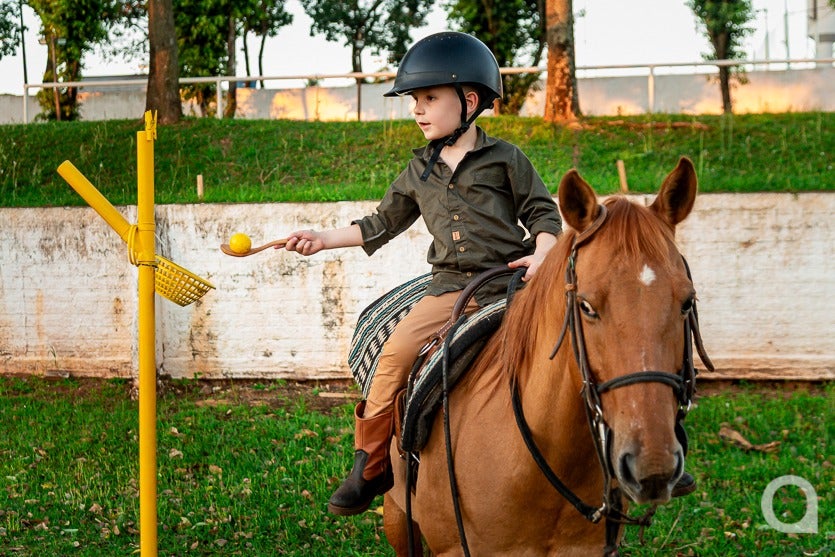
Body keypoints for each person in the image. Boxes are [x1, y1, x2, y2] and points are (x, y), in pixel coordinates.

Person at [282, 31, 562, 516]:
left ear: (468, 102)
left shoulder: (506, 158)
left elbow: (542, 213)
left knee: (570, 341)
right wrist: (322, 238)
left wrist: (543, 254)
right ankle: (370, 465)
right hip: (450, 290)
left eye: (429, 98)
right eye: (414, 100)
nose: (417, 110)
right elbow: (379, 224)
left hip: (513, 282)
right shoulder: (417, 172)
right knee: (394, 356)